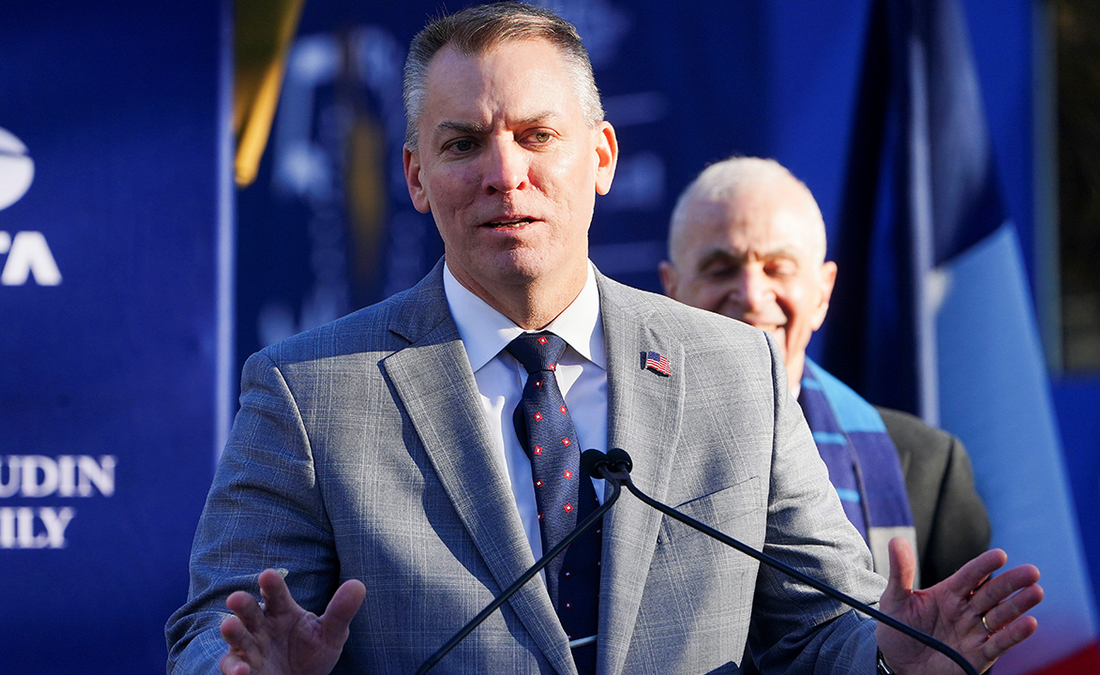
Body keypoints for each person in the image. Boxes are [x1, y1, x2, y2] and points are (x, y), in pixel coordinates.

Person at [166, 4, 1042, 675]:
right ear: (416, 177)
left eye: (537, 136)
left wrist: (891, 656)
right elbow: (214, 627)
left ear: (602, 157)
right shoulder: (308, 390)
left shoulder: (734, 372)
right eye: (463, 142)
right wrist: (239, 666)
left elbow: (817, 627)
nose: (503, 173)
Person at [659, 156, 991, 588]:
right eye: (721, 269)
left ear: (822, 293)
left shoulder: (928, 470)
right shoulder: (611, 456)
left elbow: (956, 650)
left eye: (778, 268)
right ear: (671, 290)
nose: (752, 294)